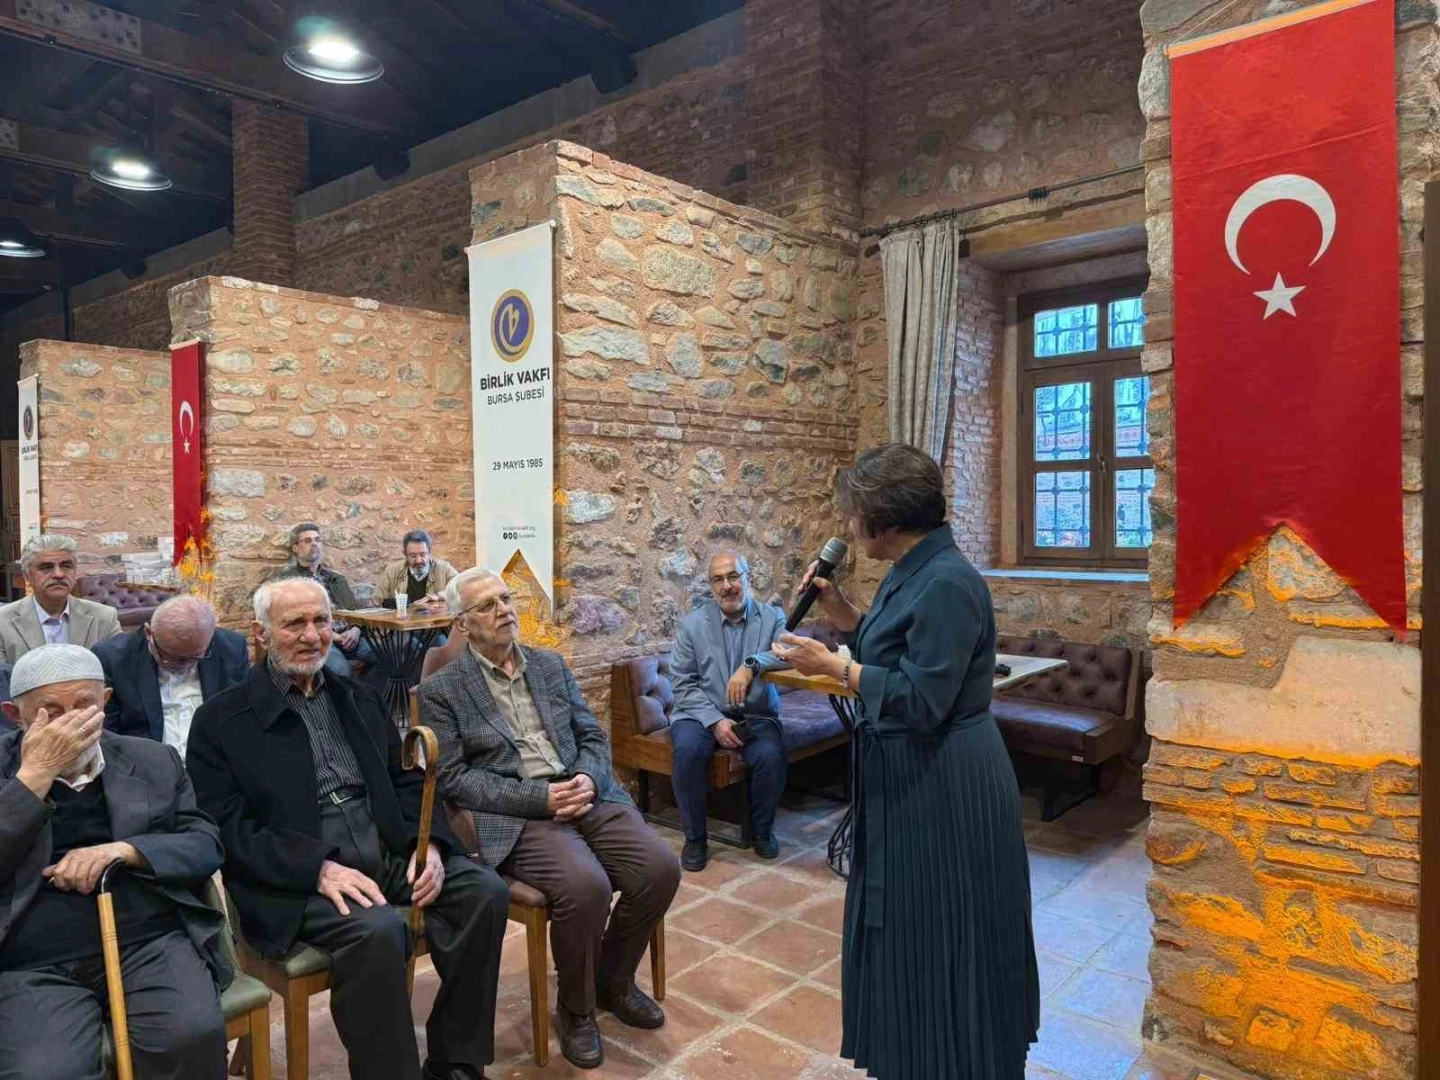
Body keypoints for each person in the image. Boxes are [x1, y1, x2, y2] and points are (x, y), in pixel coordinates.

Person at [773, 443, 1040, 1080]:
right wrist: (842, 614)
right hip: (909, 773)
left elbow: (922, 699)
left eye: (853, 513)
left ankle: (960, 1059)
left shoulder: (948, 581)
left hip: (945, 779)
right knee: (909, 930)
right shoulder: (911, 567)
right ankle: (918, 1056)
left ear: (883, 520)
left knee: (948, 929)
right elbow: (896, 644)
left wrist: (836, 667)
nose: (847, 525)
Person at [186, 578, 509, 1080]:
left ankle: (455, 1062)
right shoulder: (221, 719)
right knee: (378, 931)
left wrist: (430, 845)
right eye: (294, 623)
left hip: (383, 843)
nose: (311, 635)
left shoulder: (357, 695)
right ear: (261, 633)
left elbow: (406, 779)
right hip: (296, 873)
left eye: (322, 621)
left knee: (484, 892)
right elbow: (224, 829)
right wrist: (315, 869)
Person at [420, 567, 680, 1071]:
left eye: (505, 598)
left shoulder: (548, 664)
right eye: (487, 605)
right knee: (586, 886)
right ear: (462, 624)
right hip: (520, 813)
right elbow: (454, 778)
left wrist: (587, 777)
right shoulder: (442, 689)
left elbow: (592, 735)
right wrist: (540, 798)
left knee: (660, 868)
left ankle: (612, 980)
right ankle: (576, 1010)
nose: (504, 610)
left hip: (585, 793)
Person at [0, 644, 229, 1079]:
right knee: (45, 1072)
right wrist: (35, 777)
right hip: (31, 959)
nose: (71, 723)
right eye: (50, 712)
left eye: (84, 705)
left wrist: (126, 850)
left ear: (105, 701)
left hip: (147, 938)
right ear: (15, 715)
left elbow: (204, 844)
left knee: (192, 1036)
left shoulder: (152, 759)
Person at [669, 550, 789, 871]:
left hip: (755, 713)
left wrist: (752, 664)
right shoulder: (692, 625)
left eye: (734, 576)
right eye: (718, 579)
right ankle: (695, 839)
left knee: (771, 756)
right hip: (699, 712)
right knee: (687, 752)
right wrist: (715, 721)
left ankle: (762, 832)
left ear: (748, 578)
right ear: (711, 586)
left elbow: (788, 652)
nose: (727, 586)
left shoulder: (772, 617)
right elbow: (681, 683)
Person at [94, 595, 249, 760]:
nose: (184, 665)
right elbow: (108, 736)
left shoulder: (231, 648)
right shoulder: (113, 658)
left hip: (216, 761)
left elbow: (243, 716)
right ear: (149, 633)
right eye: (173, 658)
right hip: (147, 763)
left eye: (195, 657)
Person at [267, 522, 374, 680]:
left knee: (390, 657)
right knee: (340, 670)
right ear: (295, 548)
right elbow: (291, 619)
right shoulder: (288, 581)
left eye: (317, 540)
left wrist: (356, 630)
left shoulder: (337, 578)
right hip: (318, 639)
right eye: (308, 540)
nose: (314, 544)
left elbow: (355, 611)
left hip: (350, 637)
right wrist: (333, 636)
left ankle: (369, 694)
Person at [0, 534, 121, 663]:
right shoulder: (3, 622)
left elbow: (119, 669)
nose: (59, 574)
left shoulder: (104, 618)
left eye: (66, 566)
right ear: (27, 576)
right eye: (46, 567)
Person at [376, 529, 458, 614]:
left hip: (437, 621)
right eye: (413, 556)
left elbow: (461, 589)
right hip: (400, 620)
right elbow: (377, 601)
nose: (418, 560)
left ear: (429, 552)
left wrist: (439, 596)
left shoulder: (444, 569)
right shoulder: (392, 570)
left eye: (423, 554)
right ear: (405, 554)